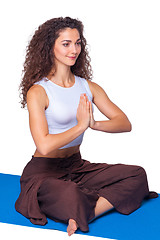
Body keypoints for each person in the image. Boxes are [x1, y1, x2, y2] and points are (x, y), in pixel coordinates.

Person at [15, 17, 158, 236]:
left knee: (136, 175)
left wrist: (93, 123)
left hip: (78, 166)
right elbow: (43, 145)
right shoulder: (39, 91)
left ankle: (85, 213)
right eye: (66, 44)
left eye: (78, 43)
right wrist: (81, 126)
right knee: (70, 192)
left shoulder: (87, 86)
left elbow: (124, 123)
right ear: (49, 47)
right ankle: (81, 203)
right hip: (44, 171)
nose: (74, 50)